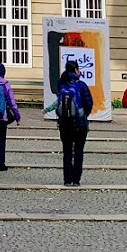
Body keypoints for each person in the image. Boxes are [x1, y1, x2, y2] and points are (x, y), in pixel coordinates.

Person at [44, 58, 94, 186]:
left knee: (67, 150)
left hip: (64, 123)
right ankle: (76, 180)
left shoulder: (61, 83)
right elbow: (89, 103)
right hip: (79, 123)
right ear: (76, 70)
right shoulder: (81, 85)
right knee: (78, 150)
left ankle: (67, 179)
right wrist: (83, 115)